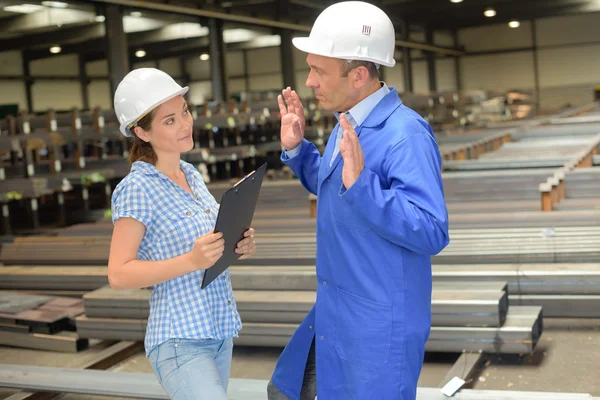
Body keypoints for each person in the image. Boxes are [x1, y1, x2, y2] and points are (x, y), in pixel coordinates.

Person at [267, 2, 450, 399]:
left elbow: (431, 229)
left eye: (319, 70)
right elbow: (336, 186)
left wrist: (363, 184)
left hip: (376, 325)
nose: (310, 81)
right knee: (283, 391)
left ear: (359, 75)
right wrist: (299, 151)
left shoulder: (405, 134)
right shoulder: (348, 121)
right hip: (337, 309)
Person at [107, 67, 256, 400]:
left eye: (184, 111)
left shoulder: (191, 175)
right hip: (179, 340)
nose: (186, 123)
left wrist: (236, 243)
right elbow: (118, 274)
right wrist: (191, 260)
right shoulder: (137, 189)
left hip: (218, 331)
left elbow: (209, 245)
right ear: (141, 132)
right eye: (169, 120)